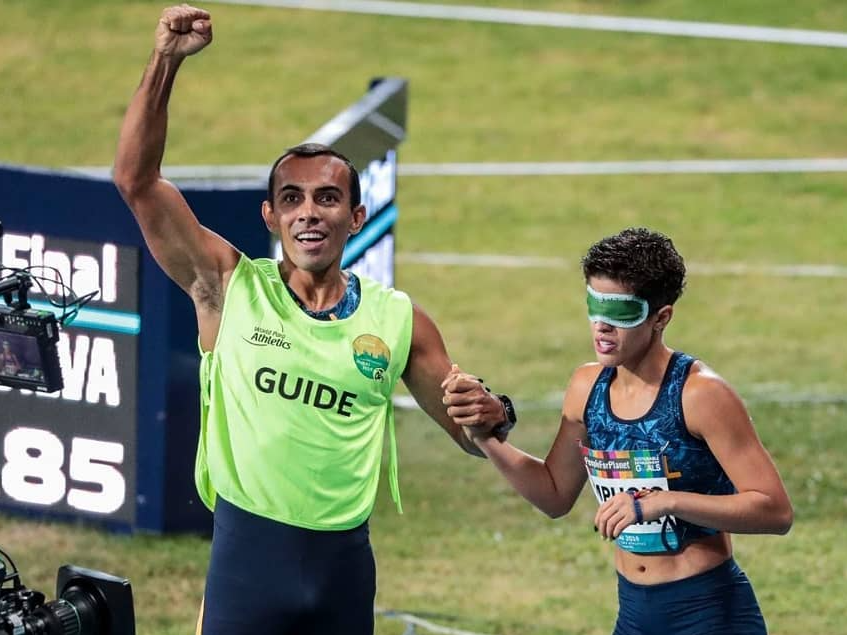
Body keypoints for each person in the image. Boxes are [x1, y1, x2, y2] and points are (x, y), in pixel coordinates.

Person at [113, 5, 514, 635]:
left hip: (344, 573)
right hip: (247, 566)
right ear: (270, 218)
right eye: (291, 199)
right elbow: (137, 180)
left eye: (328, 198)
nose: (309, 213)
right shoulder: (226, 287)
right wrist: (164, 61)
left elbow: (472, 434)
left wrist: (494, 413)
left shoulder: (399, 320)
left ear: (356, 217)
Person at [443, 227, 793, 635]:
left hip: (709, 614)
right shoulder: (585, 388)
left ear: (661, 318)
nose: (602, 326)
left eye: (621, 312)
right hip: (633, 615)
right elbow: (554, 494)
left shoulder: (701, 395)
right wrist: (484, 437)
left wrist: (664, 502)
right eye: (594, 306)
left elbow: (775, 510)